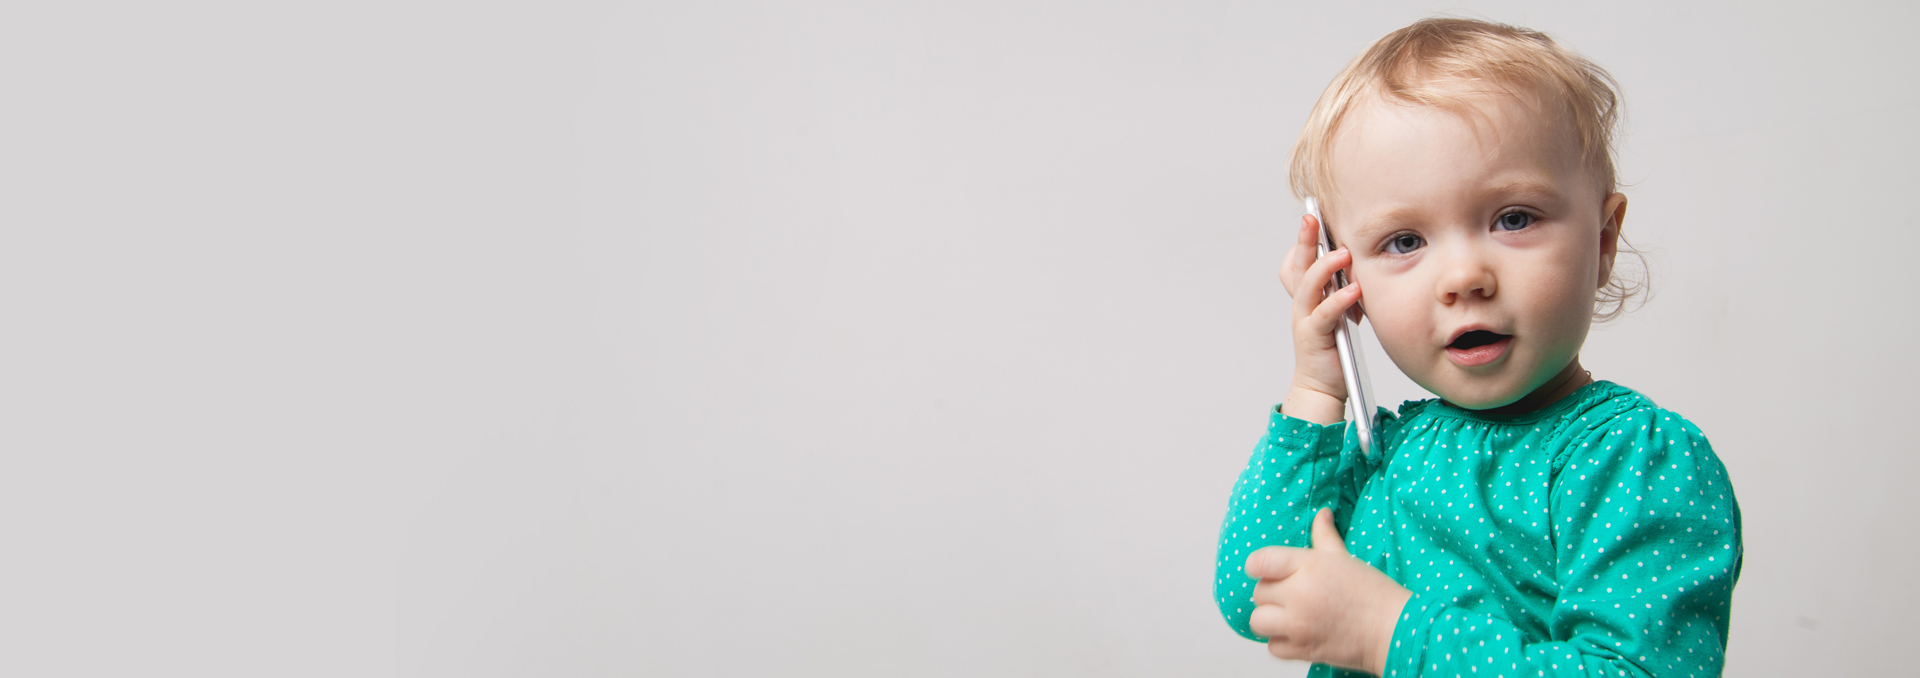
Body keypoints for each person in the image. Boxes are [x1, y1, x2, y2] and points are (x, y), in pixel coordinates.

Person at [1213, 18, 1741, 677]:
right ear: (1346, 279)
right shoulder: (1384, 453)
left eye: (1513, 218)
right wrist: (1318, 390)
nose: (1464, 277)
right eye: (1404, 241)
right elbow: (1253, 592)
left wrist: (1390, 633)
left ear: (1602, 243)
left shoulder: (1633, 463)